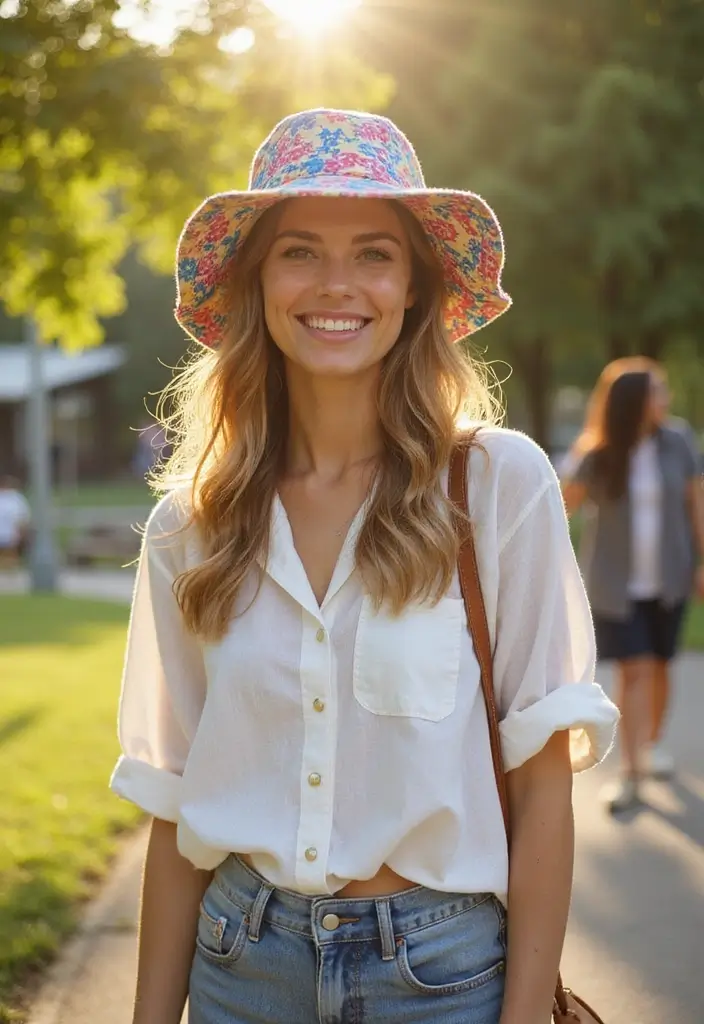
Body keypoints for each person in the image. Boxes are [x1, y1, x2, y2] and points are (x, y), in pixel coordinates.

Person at [110, 109, 618, 1024]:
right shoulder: (191, 522)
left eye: (375, 253)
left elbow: (545, 789)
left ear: (416, 287)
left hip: (443, 980)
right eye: (299, 251)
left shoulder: (500, 486)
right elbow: (173, 804)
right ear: (257, 282)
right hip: (239, 967)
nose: (336, 284)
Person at [562, 357, 704, 814]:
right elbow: (560, 506)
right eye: (657, 391)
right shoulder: (599, 453)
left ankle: (654, 744)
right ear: (633, 402)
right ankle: (630, 770)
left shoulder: (678, 441)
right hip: (615, 585)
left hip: (670, 577)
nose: (665, 399)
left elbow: (695, 505)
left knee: (662, 665)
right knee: (635, 669)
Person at [0, 475, 31, 564]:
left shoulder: (15, 498)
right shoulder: (17, 499)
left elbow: (23, 521)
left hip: (11, 539)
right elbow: (23, 520)